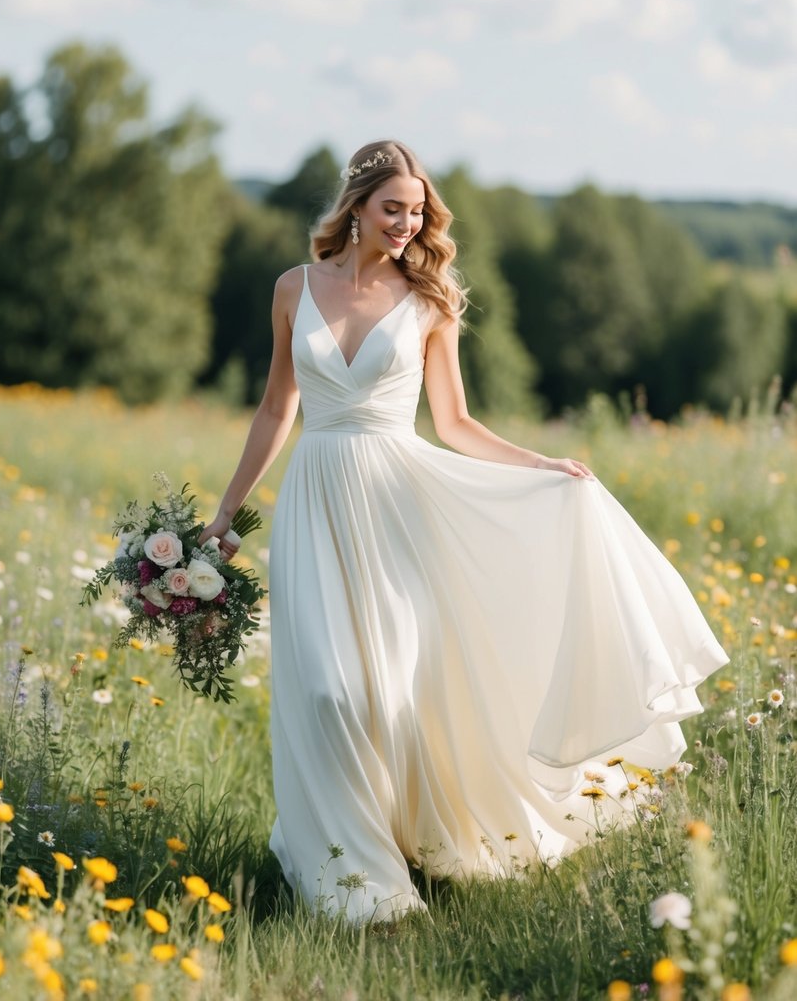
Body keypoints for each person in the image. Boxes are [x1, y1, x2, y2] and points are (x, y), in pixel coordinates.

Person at [199, 139, 728, 923]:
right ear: (355, 208)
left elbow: (454, 423)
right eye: (393, 209)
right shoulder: (293, 288)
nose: (408, 224)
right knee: (324, 692)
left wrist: (541, 465)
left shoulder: (431, 300)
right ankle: (347, 875)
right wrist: (225, 516)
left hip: (398, 504)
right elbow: (278, 410)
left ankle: (401, 853)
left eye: (417, 212)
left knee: (389, 694)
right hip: (317, 499)